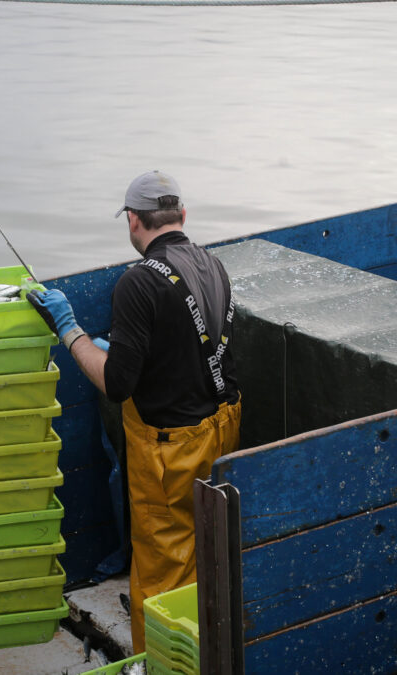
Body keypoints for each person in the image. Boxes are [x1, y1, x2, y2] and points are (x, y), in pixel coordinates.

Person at [27, 171, 241, 651]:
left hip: (170, 452)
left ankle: (161, 660)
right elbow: (192, 348)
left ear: (132, 221)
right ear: (181, 216)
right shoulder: (213, 264)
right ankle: (215, 642)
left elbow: (118, 385)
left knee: (163, 568)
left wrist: (71, 331)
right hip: (220, 430)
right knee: (207, 548)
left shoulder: (137, 283)